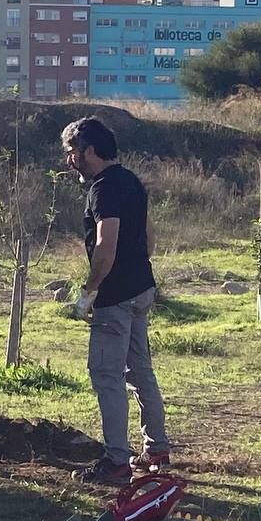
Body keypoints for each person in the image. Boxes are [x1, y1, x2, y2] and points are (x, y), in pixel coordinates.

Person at [61, 116, 171, 484]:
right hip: (141, 288)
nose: (69, 160)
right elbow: (149, 238)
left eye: (72, 152)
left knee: (106, 376)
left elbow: (106, 245)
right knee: (140, 371)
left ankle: (116, 461)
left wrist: (89, 291)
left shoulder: (103, 189)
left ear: (89, 151)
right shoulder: (132, 182)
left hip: (116, 296)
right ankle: (157, 449)